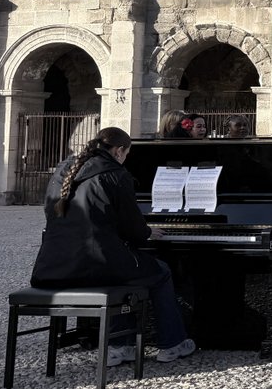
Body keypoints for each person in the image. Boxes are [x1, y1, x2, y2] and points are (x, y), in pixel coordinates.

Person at [30, 128, 196, 366]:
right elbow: (135, 230)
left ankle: (121, 346)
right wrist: (149, 231)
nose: (126, 158)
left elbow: (51, 213)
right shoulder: (116, 175)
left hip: (55, 264)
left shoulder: (64, 171)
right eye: (127, 153)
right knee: (160, 272)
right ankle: (172, 344)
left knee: (126, 269)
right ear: (119, 151)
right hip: (96, 264)